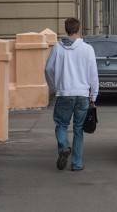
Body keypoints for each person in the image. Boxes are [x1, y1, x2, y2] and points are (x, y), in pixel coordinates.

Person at [44, 17, 98, 171]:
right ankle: (77, 163)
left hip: (64, 93)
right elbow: (93, 75)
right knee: (78, 129)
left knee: (61, 124)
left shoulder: (57, 48)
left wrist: (54, 86)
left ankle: (64, 147)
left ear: (66, 29)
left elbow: (48, 69)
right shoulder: (87, 49)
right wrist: (93, 96)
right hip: (82, 94)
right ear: (78, 29)